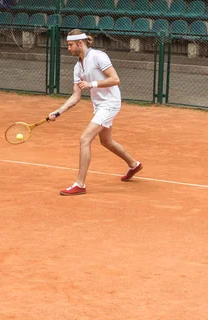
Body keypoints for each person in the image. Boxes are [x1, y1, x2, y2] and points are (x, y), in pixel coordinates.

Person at [48, 29, 143, 196]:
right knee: (106, 142)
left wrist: (92, 84)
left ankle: (80, 184)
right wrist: (58, 112)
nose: (68, 48)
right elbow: (76, 96)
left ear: (80, 43)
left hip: (110, 103)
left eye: (70, 45)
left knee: (85, 138)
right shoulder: (78, 67)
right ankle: (134, 164)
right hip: (99, 106)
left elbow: (115, 79)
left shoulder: (98, 56)